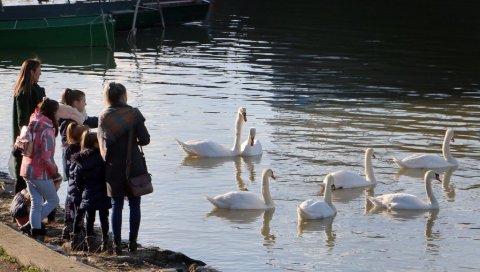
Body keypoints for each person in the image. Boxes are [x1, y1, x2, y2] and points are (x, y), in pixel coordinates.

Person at [98, 82, 150, 255]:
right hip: (133, 164)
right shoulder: (134, 114)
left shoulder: (104, 116)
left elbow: (103, 144)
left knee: (116, 204)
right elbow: (145, 139)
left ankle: (116, 245)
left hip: (113, 165)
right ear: (123, 96)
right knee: (135, 204)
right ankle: (133, 244)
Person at [20, 98, 61, 240]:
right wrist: (55, 174)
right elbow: (46, 158)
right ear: (53, 112)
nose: (59, 116)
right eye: (58, 112)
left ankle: (34, 231)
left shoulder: (33, 122)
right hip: (39, 173)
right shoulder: (48, 129)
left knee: (36, 203)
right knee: (53, 200)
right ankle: (30, 226)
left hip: (26, 169)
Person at [70, 131, 111, 252]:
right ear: (95, 143)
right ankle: (105, 242)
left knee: (89, 219)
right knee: (104, 218)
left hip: (88, 193)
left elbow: (78, 181)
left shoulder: (80, 160)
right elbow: (107, 176)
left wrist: (83, 191)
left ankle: (89, 244)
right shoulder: (102, 158)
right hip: (103, 193)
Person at [12, 58, 46, 194]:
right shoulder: (23, 92)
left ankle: (30, 206)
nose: (40, 74)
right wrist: (26, 140)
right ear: (31, 72)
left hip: (36, 136)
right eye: (39, 71)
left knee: (32, 175)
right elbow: (22, 121)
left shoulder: (36, 89)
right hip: (27, 139)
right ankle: (18, 209)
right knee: (22, 174)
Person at [62, 122, 89, 240]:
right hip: (81, 187)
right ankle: (78, 232)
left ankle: (67, 229)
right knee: (80, 210)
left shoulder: (67, 149)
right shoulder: (83, 152)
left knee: (69, 206)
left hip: (71, 185)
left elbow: (67, 169)